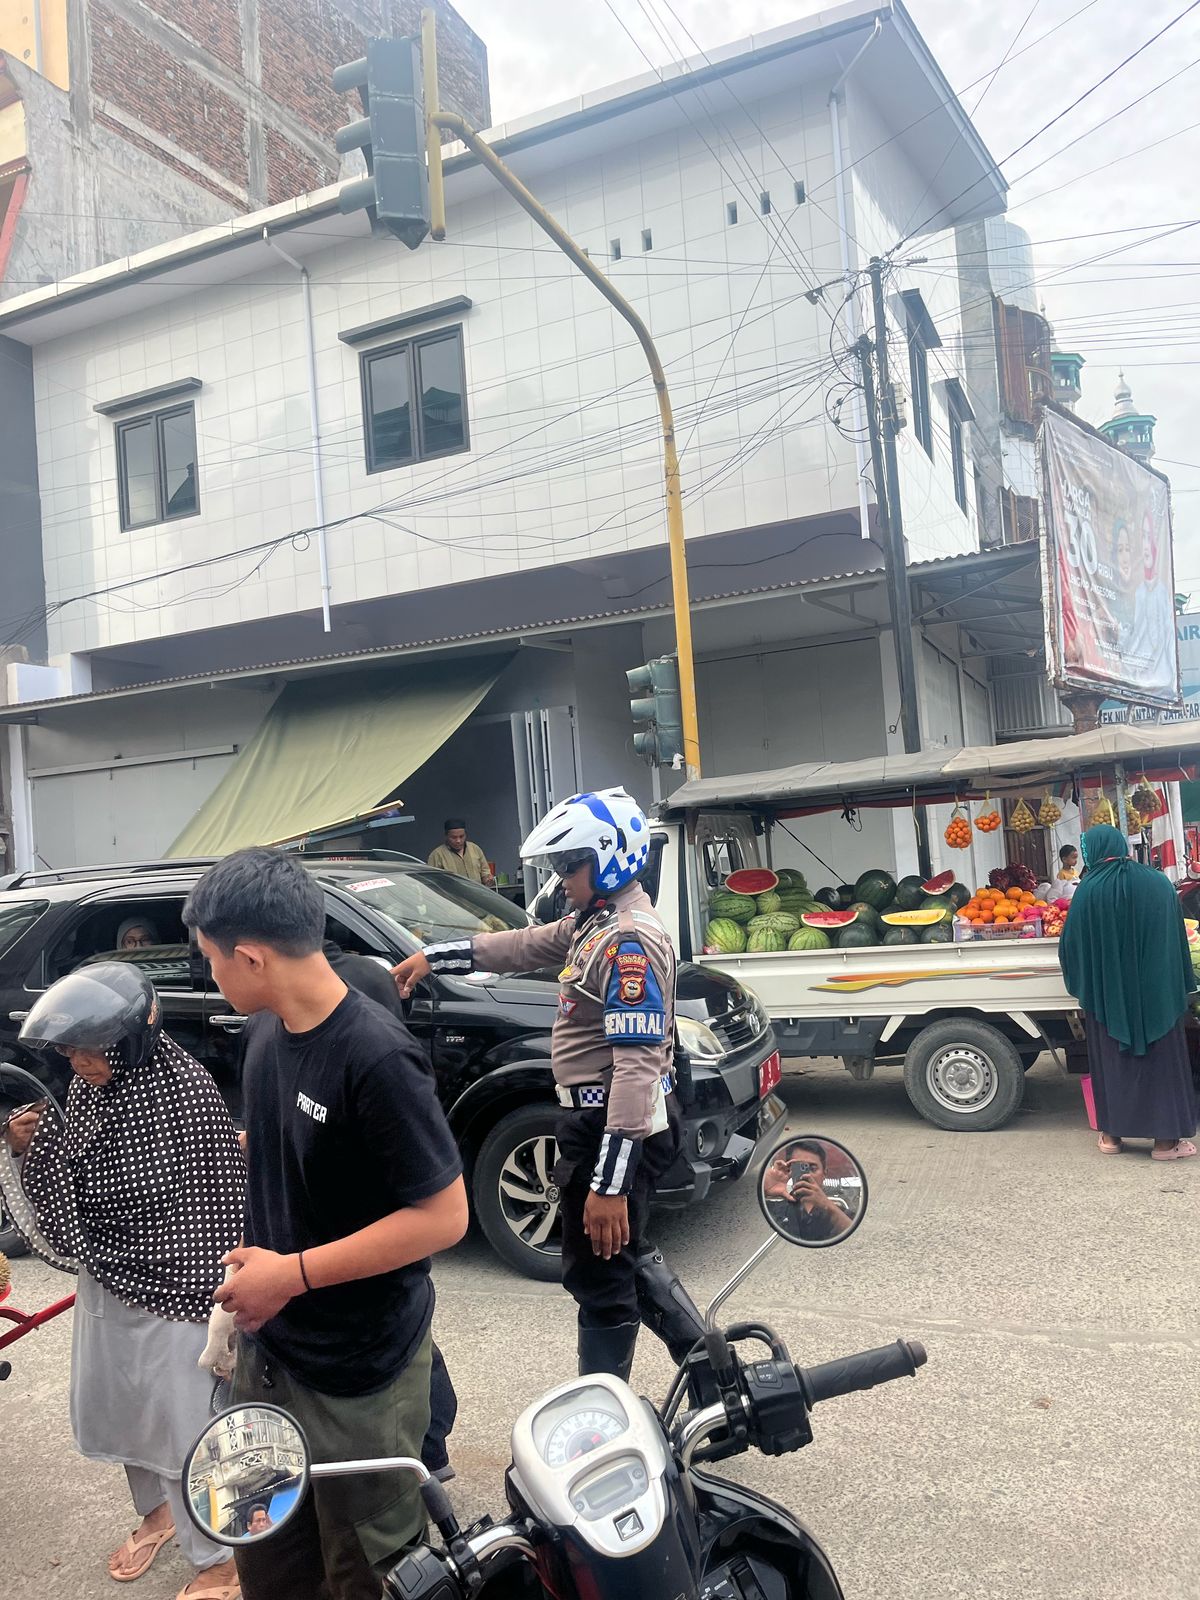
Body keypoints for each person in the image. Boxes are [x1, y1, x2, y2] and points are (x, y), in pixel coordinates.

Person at [183, 848, 468, 1600]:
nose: (210, 975)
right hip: (270, 1355)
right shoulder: (267, 1034)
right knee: (267, 1553)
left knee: (365, 1572)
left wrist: (294, 1274)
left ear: (251, 956)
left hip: (360, 1373)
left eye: (212, 960)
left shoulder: (374, 1055)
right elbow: (303, 1162)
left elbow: (444, 1216)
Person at [394, 787, 710, 1387]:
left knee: (601, 1279)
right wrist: (436, 956)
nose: (562, 878)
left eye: (571, 865)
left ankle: (604, 1409)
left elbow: (637, 1070)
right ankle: (708, 1369)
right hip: (597, 1123)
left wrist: (609, 1185)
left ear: (610, 858)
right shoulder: (597, 921)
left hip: (612, 1130)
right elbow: (524, 944)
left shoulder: (629, 941)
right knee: (620, 1256)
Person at [6, 964, 244, 1600]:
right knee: (125, 1407)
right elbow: (70, 1176)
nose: (78, 1063)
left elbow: (215, 1207)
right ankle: (158, 1515)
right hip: (108, 1281)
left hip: (183, 1284)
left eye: (90, 1049)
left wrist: (226, 1306)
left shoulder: (188, 1093)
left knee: (184, 1420)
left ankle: (218, 1554)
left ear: (131, 1038)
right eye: (69, 1051)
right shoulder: (88, 1090)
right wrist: (26, 1146)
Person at [320, 932, 459, 1480]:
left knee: (409, 1346)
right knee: (415, 1342)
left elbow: (441, 1211)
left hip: (381, 1279)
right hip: (384, 1285)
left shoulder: (377, 1070)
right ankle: (431, 1448)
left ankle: (429, 1450)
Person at [1059, 823, 1198, 1160]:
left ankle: (1111, 1137)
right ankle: (1166, 1144)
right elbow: (1176, 938)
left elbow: (1070, 946)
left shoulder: (1088, 890)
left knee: (1112, 1061)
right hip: (1157, 996)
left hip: (1109, 998)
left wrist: (1088, 985)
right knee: (1161, 1062)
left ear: (1093, 850)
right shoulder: (1157, 882)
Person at [761, 1141, 854, 1242]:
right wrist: (765, 1187)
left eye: (812, 1168)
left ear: (824, 1174)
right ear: (790, 1171)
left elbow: (855, 1235)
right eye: (800, 1168)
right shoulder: (773, 1209)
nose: (807, 1175)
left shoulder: (839, 1213)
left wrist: (827, 1205)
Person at [427, 818, 496, 887]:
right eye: (454, 837)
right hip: (452, 896)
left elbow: (485, 872)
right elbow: (432, 882)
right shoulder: (437, 855)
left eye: (461, 836)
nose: (458, 841)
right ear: (446, 836)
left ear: (465, 835)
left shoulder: (475, 849)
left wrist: (488, 879)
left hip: (477, 894)